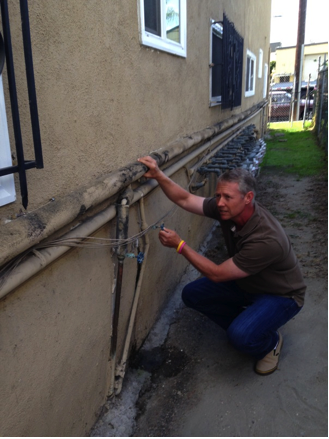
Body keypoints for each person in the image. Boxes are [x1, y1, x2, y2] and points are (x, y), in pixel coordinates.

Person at [137, 156, 306, 375]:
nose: (219, 202)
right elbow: (186, 200)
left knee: (240, 336)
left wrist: (180, 245)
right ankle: (253, 322)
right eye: (218, 196)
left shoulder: (266, 239)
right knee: (192, 294)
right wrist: (158, 174)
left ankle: (270, 342)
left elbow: (217, 274)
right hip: (248, 283)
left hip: (281, 295)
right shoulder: (228, 209)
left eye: (227, 197)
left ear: (248, 198)